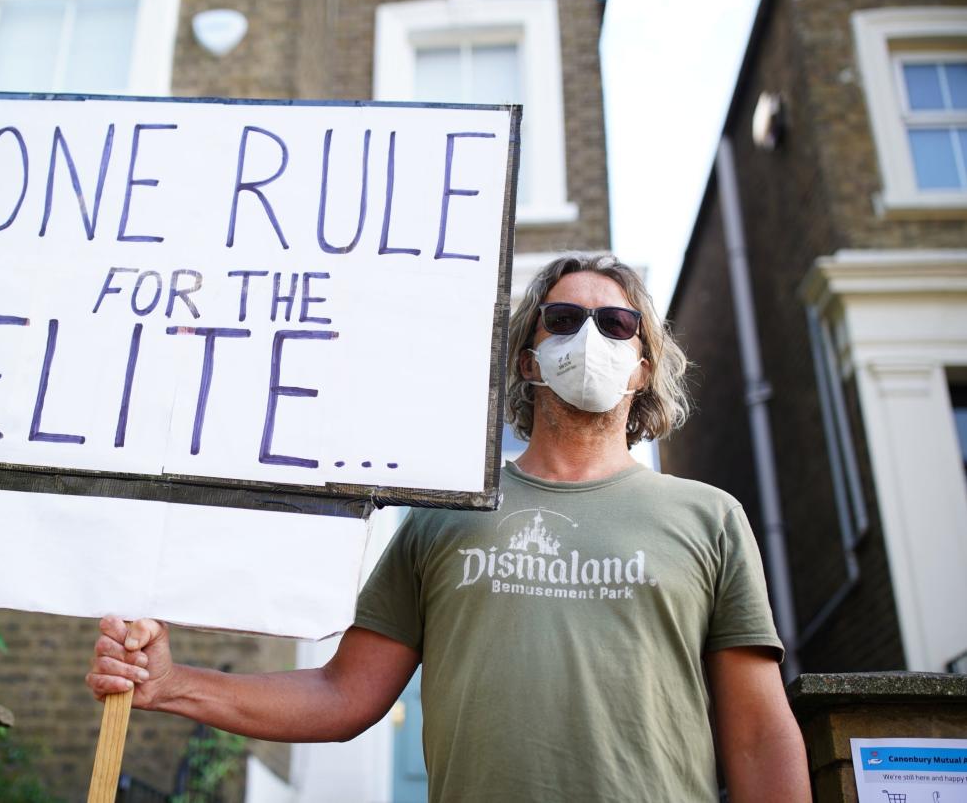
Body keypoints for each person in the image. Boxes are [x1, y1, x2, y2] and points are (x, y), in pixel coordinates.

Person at [87, 253, 812, 802]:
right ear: (529, 358)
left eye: (615, 323)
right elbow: (345, 696)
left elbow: (756, 733)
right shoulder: (443, 516)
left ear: (642, 365)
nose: (588, 337)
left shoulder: (709, 518)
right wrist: (171, 683)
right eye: (563, 320)